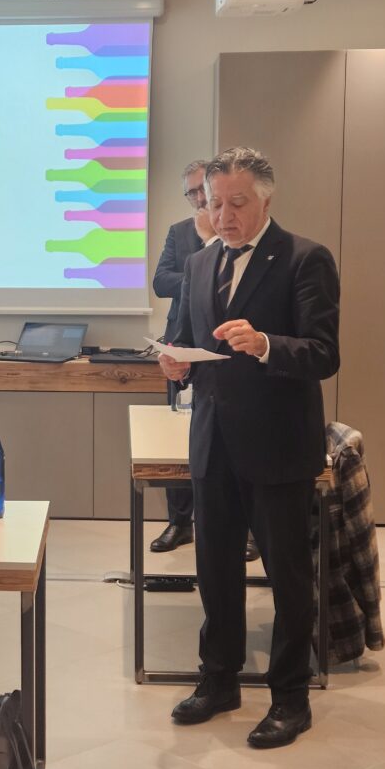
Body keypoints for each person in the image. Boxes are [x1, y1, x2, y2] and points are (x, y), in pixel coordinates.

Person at [159, 147, 339, 749]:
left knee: (287, 575)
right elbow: (185, 340)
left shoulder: (305, 259)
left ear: (265, 198)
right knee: (214, 570)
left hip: (279, 445)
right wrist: (175, 364)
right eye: (214, 203)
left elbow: (323, 353)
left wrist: (265, 344)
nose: (224, 216)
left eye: (237, 203)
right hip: (213, 442)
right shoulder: (199, 263)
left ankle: (290, 696)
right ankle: (219, 681)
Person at [150, 160, 216, 553]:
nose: (198, 198)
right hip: (181, 342)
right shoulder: (179, 231)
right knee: (177, 436)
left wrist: (201, 263)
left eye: (201, 188)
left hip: (223, 346)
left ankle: (245, 526)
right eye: (191, 192)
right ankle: (179, 522)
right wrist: (200, 269)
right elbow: (161, 282)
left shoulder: (236, 232)